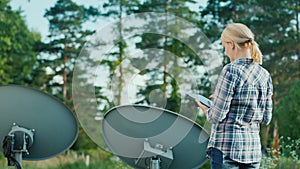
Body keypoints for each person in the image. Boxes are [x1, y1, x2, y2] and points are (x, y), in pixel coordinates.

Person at [195, 23, 273, 169]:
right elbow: (266, 118)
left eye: (224, 47)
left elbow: (216, 116)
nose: (225, 52)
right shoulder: (265, 75)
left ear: (231, 44)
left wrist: (207, 109)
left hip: (227, 150)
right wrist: (224, 99)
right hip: (253, 152)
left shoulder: (230, 70)